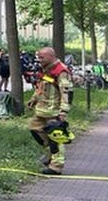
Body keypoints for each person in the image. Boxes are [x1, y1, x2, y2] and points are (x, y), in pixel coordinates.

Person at [27, 46, 73, 175]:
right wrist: (34, 99)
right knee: (34, 128)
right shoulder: (45, 69)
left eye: (42, 57)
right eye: (38, 57)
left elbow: (66, 92)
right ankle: (51, 153)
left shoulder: (60, 71)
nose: (39, 59)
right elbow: (41, 87)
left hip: (54, 111)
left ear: (51, 56)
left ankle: (56, 166)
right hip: (42, 109)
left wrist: (63, 111)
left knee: (56, 138)